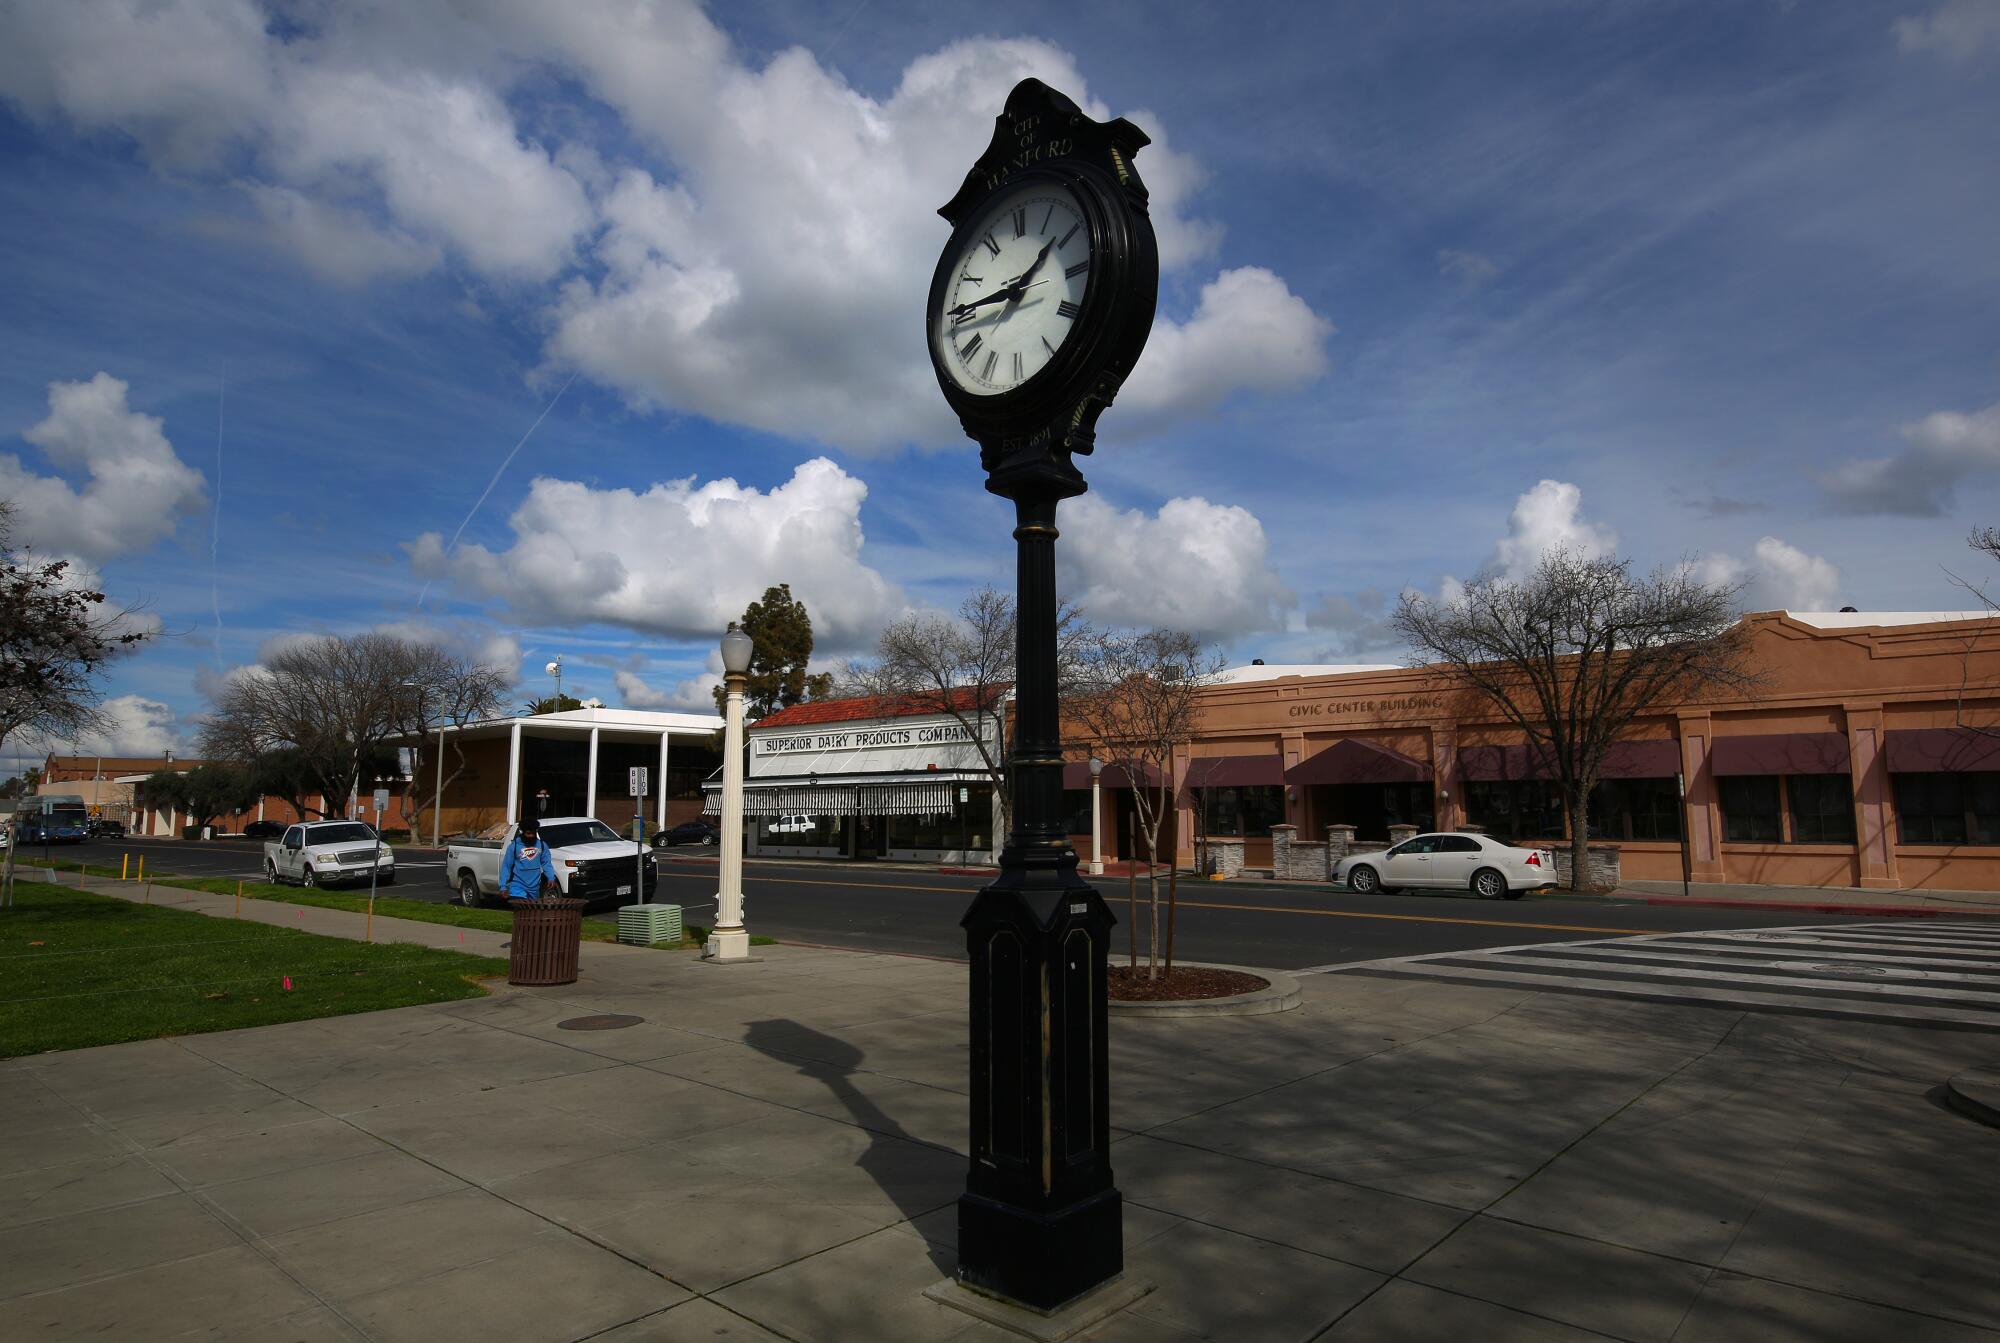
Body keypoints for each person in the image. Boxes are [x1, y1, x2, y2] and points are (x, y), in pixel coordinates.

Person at [500, 816, 558, 902]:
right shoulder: (514, 846)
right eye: (528, 833)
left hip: (534, 888)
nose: (530, 836)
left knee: (531, 913)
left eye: (533, 833)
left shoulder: (542, 845)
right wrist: (503, 886)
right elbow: (506, 866)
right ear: (522, 832)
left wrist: (551, 878)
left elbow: (546, 864)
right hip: (518, 886)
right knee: (521, 908)